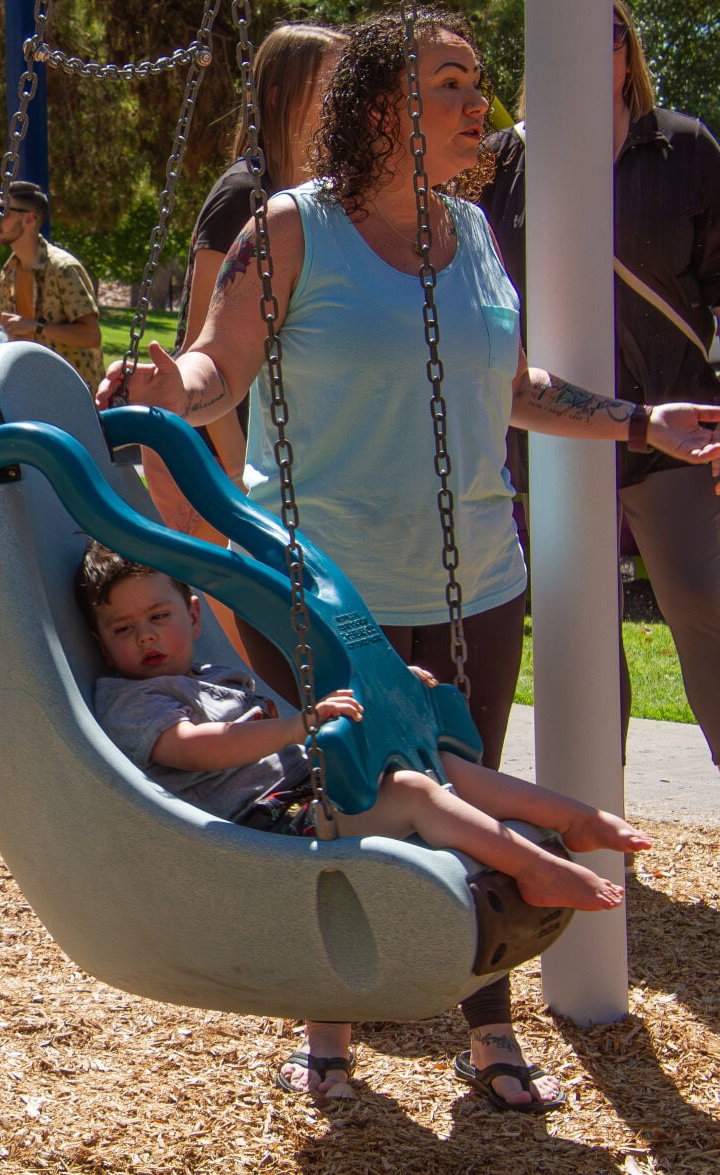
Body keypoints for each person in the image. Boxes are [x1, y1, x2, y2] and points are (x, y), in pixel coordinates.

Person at [106, 9, 720, 1112]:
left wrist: (640, 422)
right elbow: (216, 367)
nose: (478, 102)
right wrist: (166, 391)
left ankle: (489, 1028)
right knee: (345, 799)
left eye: (476, 82)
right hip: (320, 585)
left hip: (475, 576)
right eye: (449, 83)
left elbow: (513, 388)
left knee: (468, 790)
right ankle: (325, 1027)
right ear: (383, 106)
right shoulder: (289, 228)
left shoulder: (472, 231)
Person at [77, 544, 646, 911]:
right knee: (416, 792)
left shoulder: (214, 676)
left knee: (440, 764)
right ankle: (536, 870)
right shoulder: (132, 699)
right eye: (123, 629)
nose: (145, 636)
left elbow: (324, 716)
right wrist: (297, 727)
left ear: (194, 615)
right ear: (102, 644)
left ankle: (575, 819)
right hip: (265, 828)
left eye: (159, 617)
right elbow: (190, 748)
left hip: (313, 791)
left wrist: (387, 688)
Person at [478, 1, 720, 769]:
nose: (589, 52)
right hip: (548, 436)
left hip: (675, 433)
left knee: (705, 604)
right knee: (575, 633)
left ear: (627, 50)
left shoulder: (682, 148)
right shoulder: (496, 165)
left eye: (607, 35)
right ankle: (590, 811)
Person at [144, 24, 346, 661]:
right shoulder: (244, 195)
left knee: (289, 654)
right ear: (283, 95)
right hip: (207, 448)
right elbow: (203, 348)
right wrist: (237, 477)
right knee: (264, 654)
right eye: (331, 83)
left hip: (257, 453)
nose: (346, 99)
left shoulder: (315, 197)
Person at [0, 180, 104, 391]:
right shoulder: (8, 272)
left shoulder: (63, 268)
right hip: (29, 390)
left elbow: (92, 336)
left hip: (73, 393)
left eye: (4, 212)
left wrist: (36, 327)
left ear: (29, 219)